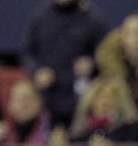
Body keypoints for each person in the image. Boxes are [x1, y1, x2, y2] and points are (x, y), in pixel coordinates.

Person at [22, 0, 108, 128]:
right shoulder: (40, 17)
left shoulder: (92, 18)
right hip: (48, 97)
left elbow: (105, 52)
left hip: (81, 99)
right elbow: (27, 53)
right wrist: (37, 71)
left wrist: (92, 63)